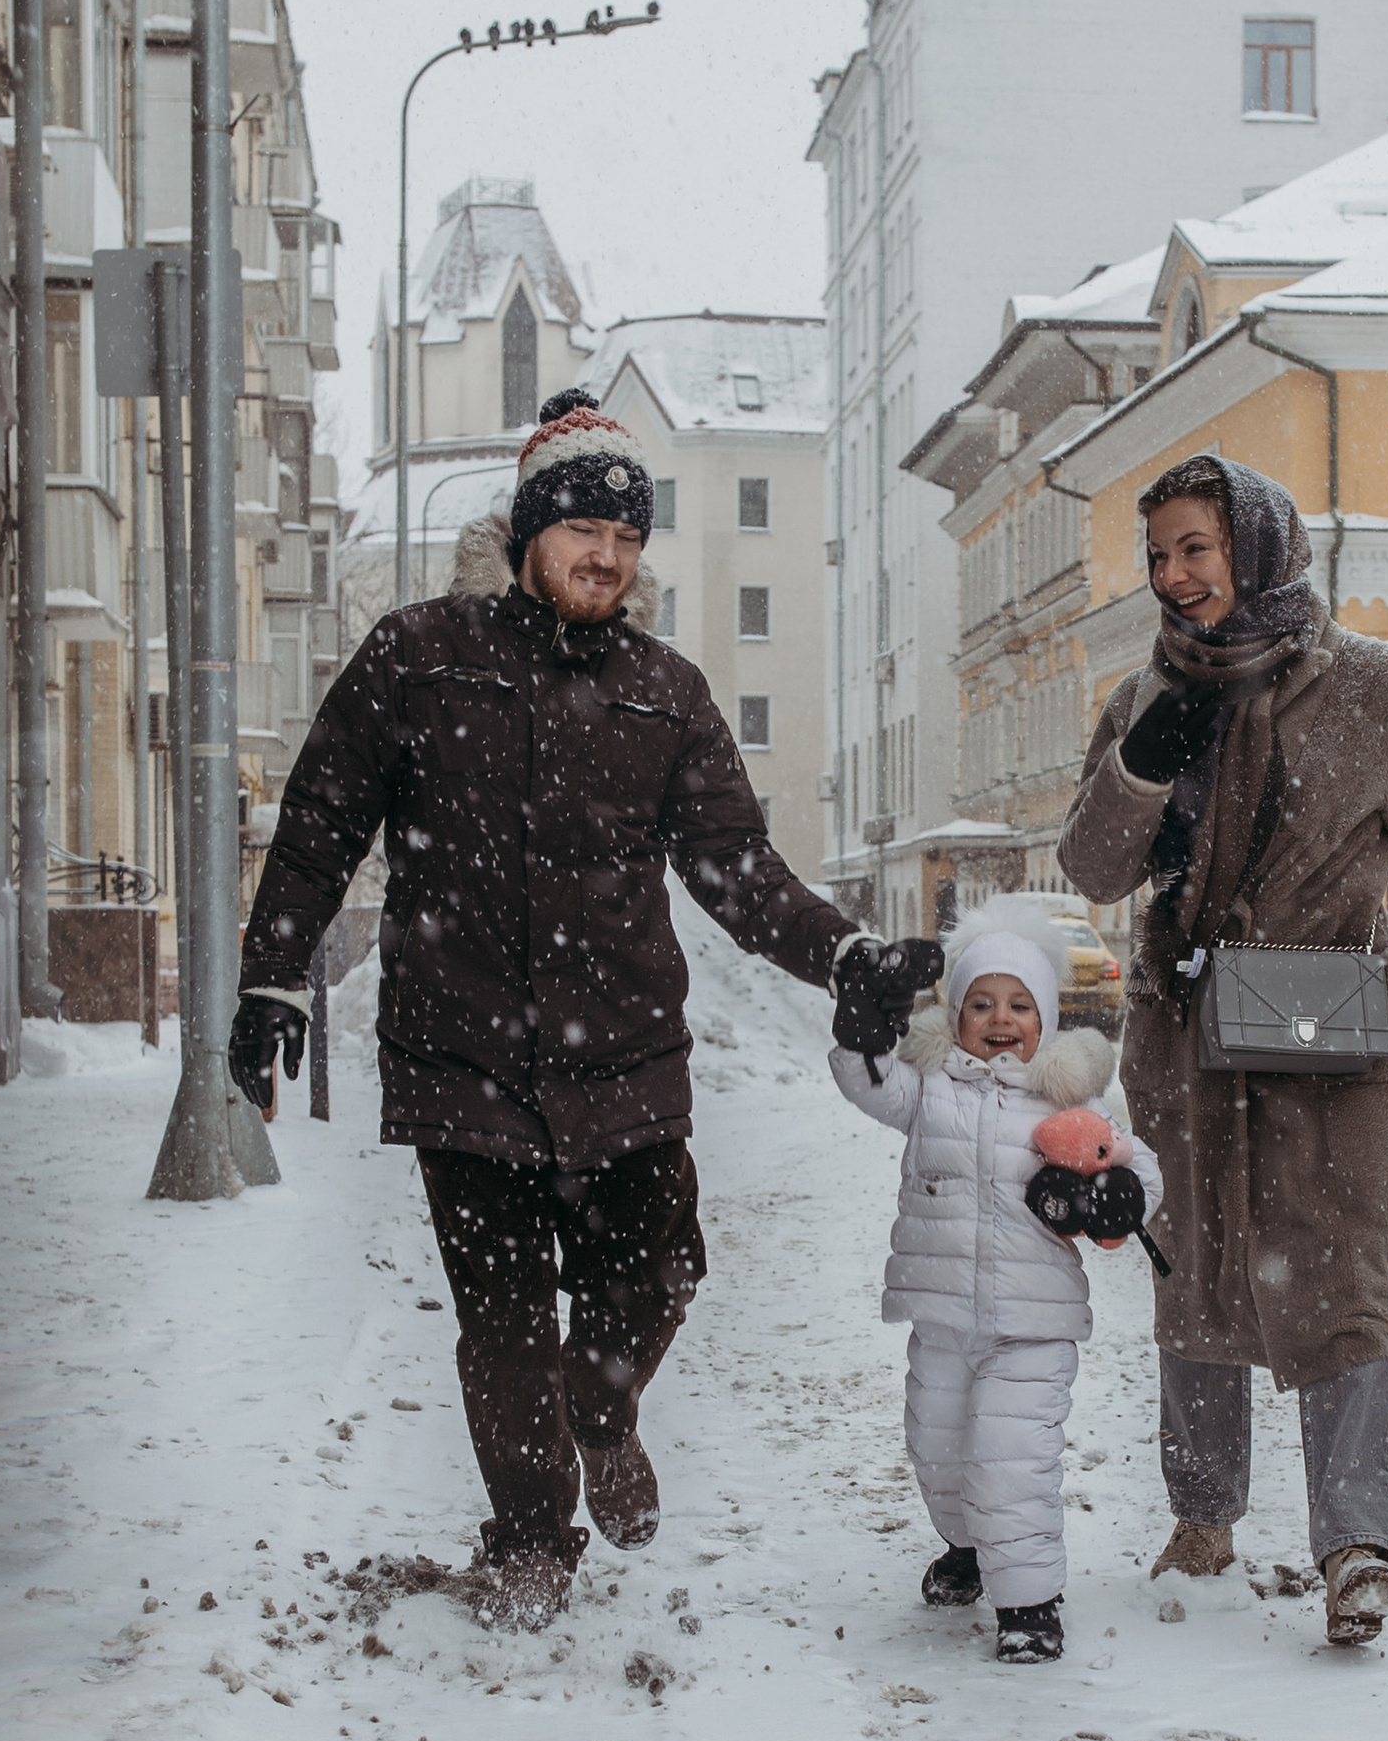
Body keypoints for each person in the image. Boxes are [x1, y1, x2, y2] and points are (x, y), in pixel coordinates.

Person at [227, 388, 940, 1631]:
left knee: (660, 1271)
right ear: (528, 534)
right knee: (500, 1321)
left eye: (626, 536)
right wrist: (272, 973)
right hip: (461, 1054)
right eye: (580, 531)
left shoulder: (666, 691)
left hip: (622, 1056)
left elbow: (737, 872)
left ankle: (601, 1409)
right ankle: (530, 1542)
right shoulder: (418, 656)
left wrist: (846, 958)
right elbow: (321, 822)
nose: (605, 555)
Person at [1058, 453, 1388, 1647]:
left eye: (1195, 547)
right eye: (1158, 556)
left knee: (1339, 1279)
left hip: (1324, 1040)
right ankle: (1202, 1518)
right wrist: (1146, 763)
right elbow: (1091, 869)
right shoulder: (1143, 700)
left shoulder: (1372, 689)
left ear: (1255, 542)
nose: (1174, 576)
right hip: (1184, 1039)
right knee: (1196, 1273)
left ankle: (1354, 1547)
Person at [831, 896, 1162, 1664]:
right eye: (980, 1003)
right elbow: (867, 1080)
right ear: (955, 1016)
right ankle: (969, 1548)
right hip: (942, 1317)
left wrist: (1119, 1194)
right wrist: (859, 1026)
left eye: (1019, 1003)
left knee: (1011, 1460)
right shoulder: (929, 1088)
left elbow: (1135, 1164)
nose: (1000, 1017)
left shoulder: (1068, 1100)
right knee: (938, 1449)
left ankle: (1030, 1603)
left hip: (1033, 1326)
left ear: (1044, 1018)